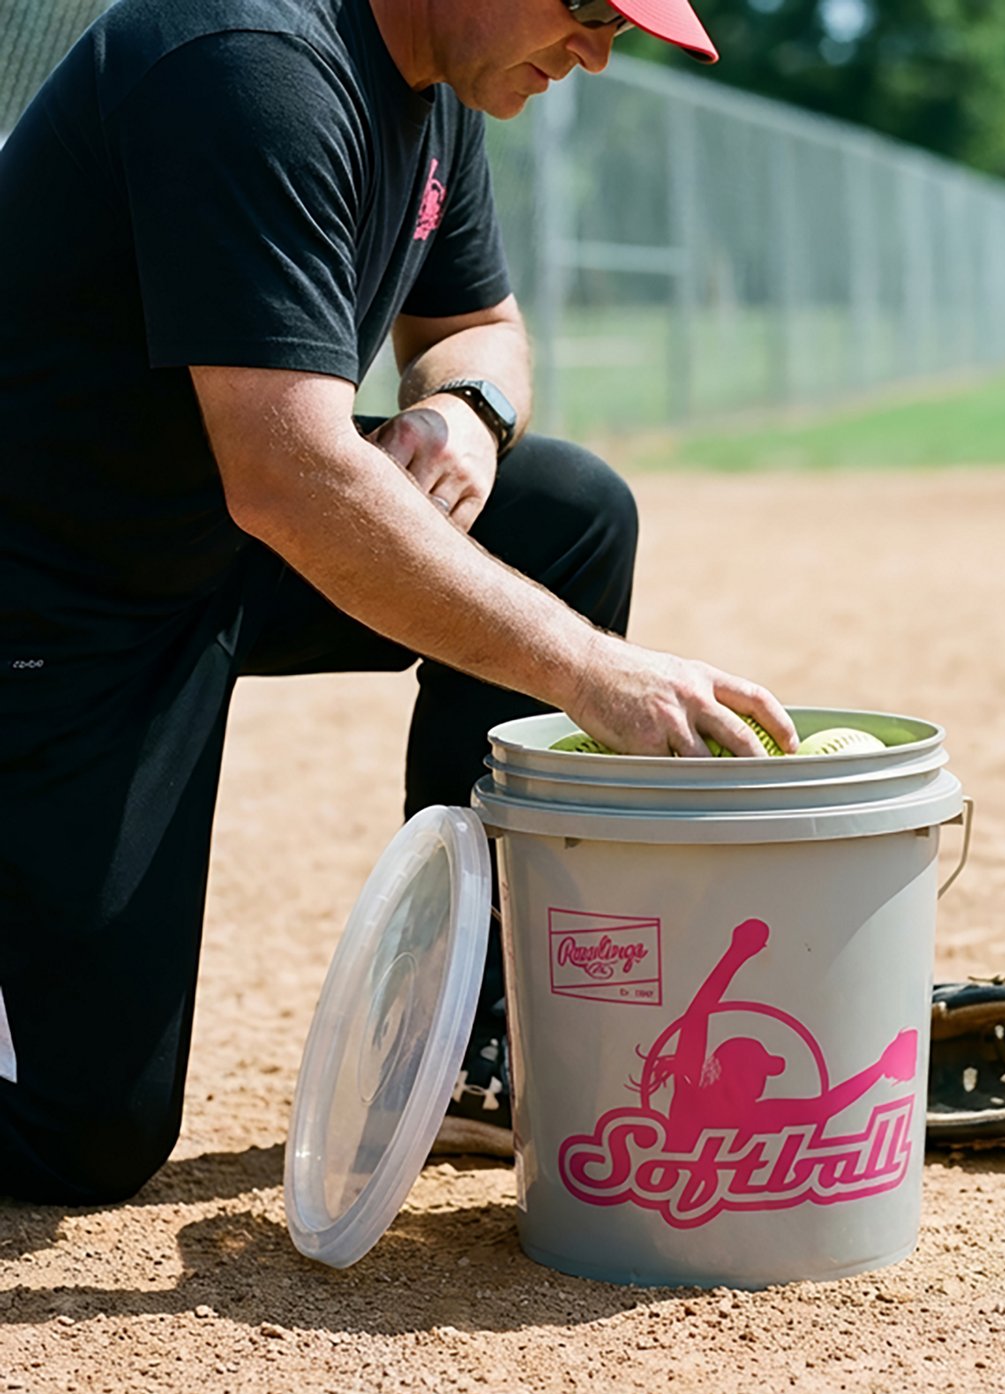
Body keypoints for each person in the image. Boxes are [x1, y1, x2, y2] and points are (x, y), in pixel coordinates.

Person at [0, 0, 797, 1208]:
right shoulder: (256, 68)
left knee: (565, 512)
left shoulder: (436, 78)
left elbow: (479, 326)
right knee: (82, 1138)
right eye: (589, 9)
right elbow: (288, 479)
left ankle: (474, 1038)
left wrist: (466, 410)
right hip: (46, 603)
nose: (595, 50)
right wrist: (589, 671)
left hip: (194, 544)